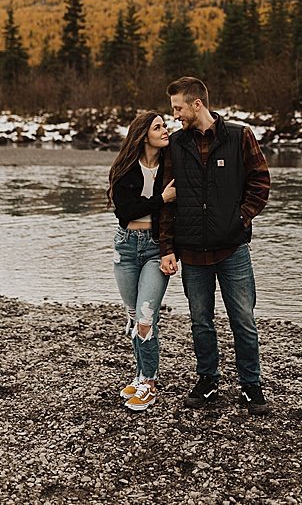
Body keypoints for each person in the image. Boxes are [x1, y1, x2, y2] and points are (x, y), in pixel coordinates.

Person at [159, 76, 272, 415]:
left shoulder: (239, 136)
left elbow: (261, 182)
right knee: (200, 321)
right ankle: (208, 381)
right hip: (192, 252)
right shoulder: (175, 145)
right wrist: (167, 248)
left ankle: (251, 386)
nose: (175, 115)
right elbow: (167, 201)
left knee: (243, 320)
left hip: (232, 249)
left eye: (178, 108)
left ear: (197, 104)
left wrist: (240, 219)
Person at [108, 109, 177, 412]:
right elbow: (126, 212)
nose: (165, 131)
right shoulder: (125, 169)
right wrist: (162, 199)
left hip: (155, 248)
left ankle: (148, 382)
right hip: (125, 249)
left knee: (146, 319)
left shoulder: (171, 166)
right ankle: (139, 375)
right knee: (135, 317)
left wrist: (170, 250)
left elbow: (176, 214)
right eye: (158, 127)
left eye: (165, 126)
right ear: (143, 134)